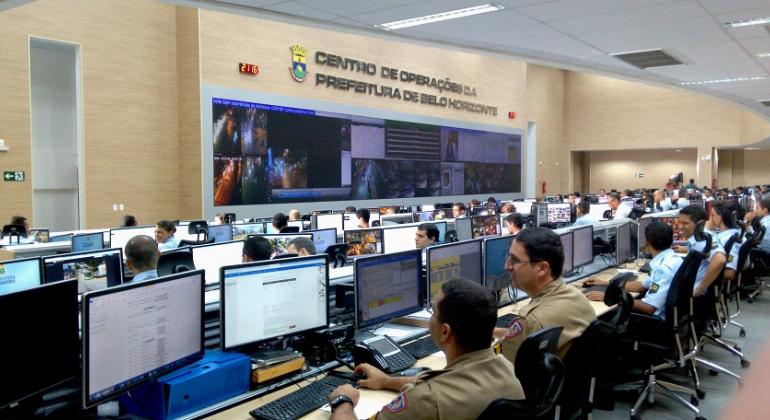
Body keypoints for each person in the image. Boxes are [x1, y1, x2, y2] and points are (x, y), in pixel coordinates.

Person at [328, 279, 524, 420]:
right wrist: (387, 381)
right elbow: (448, 382)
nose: (431, 317)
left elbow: (432, 393)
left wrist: (343, 402)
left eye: (433, 311)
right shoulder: (506, 368)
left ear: (445, 332)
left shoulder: (424, 400)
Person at [494, 227, 595, 362]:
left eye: (514, 260)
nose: (507, 266)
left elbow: (502, 368)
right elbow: (526, 338)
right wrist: (492, 332)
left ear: (541, 269)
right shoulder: (576, 296)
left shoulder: (532, 320)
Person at [585, 221, 682, 320]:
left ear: (647, 242)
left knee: (600, 318)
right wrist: (607, 283)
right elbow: (642, 286)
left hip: (654, 322)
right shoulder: (674, 259)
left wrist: (609, 298)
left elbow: (648, 308)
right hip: (671, 318)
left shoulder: (663, 269)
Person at [674, 205, 726, 296]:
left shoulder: (702, 240)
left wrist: (700, 289)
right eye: (679, 222)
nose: (680, 227)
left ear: (700, 224)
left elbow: (720, 260)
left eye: (685, 223)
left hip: (692, 295)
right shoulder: (701, 237)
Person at [705, 200, 743, 282]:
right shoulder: (735, 232)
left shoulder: (729, 240)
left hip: (711, 285)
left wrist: (700, 273)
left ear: (721, 217)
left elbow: (729, 273)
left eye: (712, 215)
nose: (710, 219)